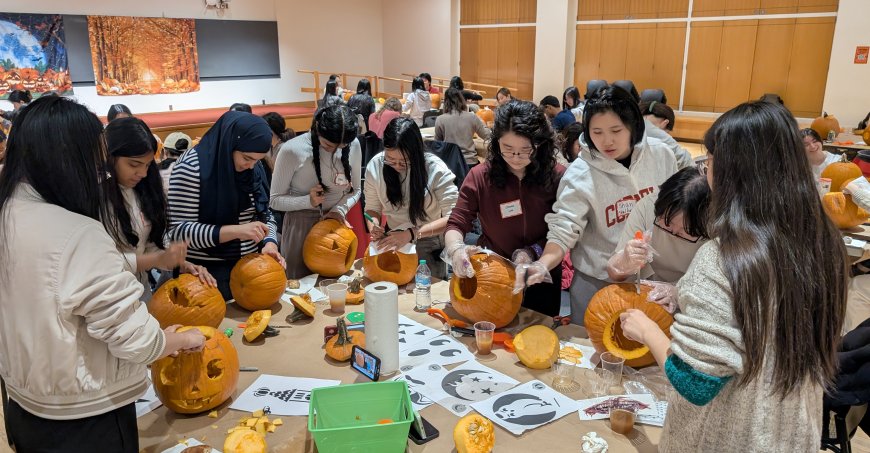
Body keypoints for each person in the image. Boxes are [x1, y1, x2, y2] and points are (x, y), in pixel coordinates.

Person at [618, 100, 847, 451]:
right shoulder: (822, 242)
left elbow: (694, 384)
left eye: (709, 160)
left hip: (731, 438)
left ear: (730, 172)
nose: (705, 169)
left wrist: (647, 330)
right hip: (793, 432)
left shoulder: (724, 256)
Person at [0, 95, 204, 452]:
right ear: (69, 159)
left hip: (22, 400)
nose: (102, 171)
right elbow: (139, 342)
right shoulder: (77, 232)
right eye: (95, 160)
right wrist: (183, 340)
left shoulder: (9, 212)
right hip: (84, 414)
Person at [522, 86, 678, 323]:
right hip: (596, 280)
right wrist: (543, 264)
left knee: (646, 350)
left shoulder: (662, 156)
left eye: (616, 130)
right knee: (589, 349)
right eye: (597, 132)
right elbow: (564, 228)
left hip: (652, 276)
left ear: (633, 125)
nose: (607, 141)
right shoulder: (579, 174)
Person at [445, 100, 566, 317]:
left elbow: (563, 232)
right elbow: (457, 222)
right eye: (507, 149)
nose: (516, 158)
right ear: (496, 142)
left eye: (525, 150)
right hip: (492, 276)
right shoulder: (481, 176)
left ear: (540, 145)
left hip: (541, 275)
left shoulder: (557, 177)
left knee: (537, 337)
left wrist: (532, 252)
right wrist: (455, 249)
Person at [167, 111, 284, 299]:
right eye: (246, 158)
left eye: (257, 160)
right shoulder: (192, 166)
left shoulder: (253, 167)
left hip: (250, 270)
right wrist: (237, 231)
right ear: (229, 144)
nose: (251, 166)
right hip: (205, 276)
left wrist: (270, 242)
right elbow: (179, 232)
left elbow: (265, 214)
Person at [105, 118, 216, 301]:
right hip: (109, 301)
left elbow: (146, 245)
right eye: (134, 164)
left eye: (148, 164)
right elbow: (101, 266)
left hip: (140, 293)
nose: (143, 173)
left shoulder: (142, 189)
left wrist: (180, 264)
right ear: (110, 157)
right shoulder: (95, 199)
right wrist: (157, 260)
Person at [270, 105, 361, 278]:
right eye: (327, 145)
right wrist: (308, 201)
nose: (334, 151)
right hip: (300, 225)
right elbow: (274, 200)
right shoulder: (292, 149)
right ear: (317, 129)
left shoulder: (353, 144)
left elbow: (356, 190)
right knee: (300, 289)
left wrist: (338, 211)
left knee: (336, 289)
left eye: (341, 147)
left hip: (336, 225)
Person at [606, 167, 711, 313]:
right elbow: (614, 272)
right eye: (666, 223)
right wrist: (624, 262)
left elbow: (718, 292)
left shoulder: (721, 230)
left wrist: (678, 292)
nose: (672, 232)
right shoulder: (647, 208)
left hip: (695, 307)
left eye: (684, 232)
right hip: (649, 299)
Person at [365, 117, 458, 279]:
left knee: (425, 295)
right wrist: (373, 224)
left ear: (416, 153)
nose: (398, 166)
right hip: (393, 238)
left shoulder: (435, 169)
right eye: (391, 160)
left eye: (404, 161)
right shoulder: (375, 166)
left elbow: (454, 217)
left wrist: (412, 233)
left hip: (428, 239)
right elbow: (372, 208)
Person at [434, 88, 492, 168]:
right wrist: (483, 123)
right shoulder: (472, 117)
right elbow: (487, 135)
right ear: (461, 100)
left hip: (450, 164)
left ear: (445, 102)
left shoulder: (440, 119)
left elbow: (437, 144)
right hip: (470, 162)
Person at [638, 100, 693, 169]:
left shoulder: (632, 123)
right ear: (665, 123)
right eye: (667, 132)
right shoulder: (658, 136)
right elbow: (686, 164)